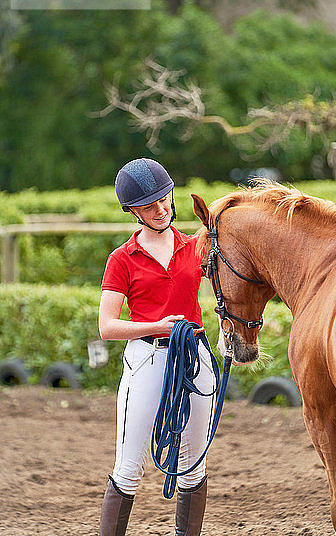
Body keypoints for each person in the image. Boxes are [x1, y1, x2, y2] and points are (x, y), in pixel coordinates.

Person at [98, 158, 215, 536]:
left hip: (194, 356)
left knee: (194, 464)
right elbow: (107, 326)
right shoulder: (122, 259)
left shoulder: (196, 247)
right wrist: (157, 326)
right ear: (133, 212)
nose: (162, 209)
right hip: (147, 358)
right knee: (129, 468)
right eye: (150, 206)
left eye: (165, 199)